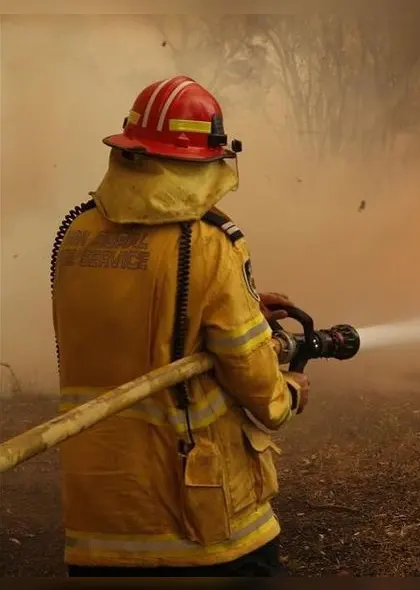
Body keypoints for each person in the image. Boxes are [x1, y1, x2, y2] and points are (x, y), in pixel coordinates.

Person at [50, 75, 310, 577]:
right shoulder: (209, 242)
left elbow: (132, 326)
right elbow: (254, 378)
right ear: (202, 161)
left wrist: (243, 304)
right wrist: (290, 392)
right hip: (200, 523)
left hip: (98, 518)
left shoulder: (77, 234)